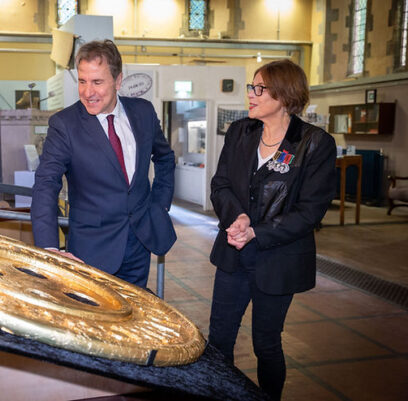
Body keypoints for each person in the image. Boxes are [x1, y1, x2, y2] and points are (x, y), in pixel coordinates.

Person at [208, 59, 337, 400]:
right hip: (233, 255)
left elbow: (310, 211)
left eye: (259, 89)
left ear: (283, 94)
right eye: (252, 87)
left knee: (266, 343)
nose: (250, 94)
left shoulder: (314, 144)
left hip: (278, 260)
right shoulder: (240, 133)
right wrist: (238, 218)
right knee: (219, 339)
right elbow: (220, 185)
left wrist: (257, 232)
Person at [31, 39, 176, 288]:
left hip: (139, 243)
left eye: (97, 82)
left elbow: (165, 158)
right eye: (83, 81)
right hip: (90, 251)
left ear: (118, 81)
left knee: (133, 319)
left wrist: (159, 205)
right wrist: (49, 247)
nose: (88, 92)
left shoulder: (143, 112)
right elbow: (46, 183)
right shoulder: (64, 125)